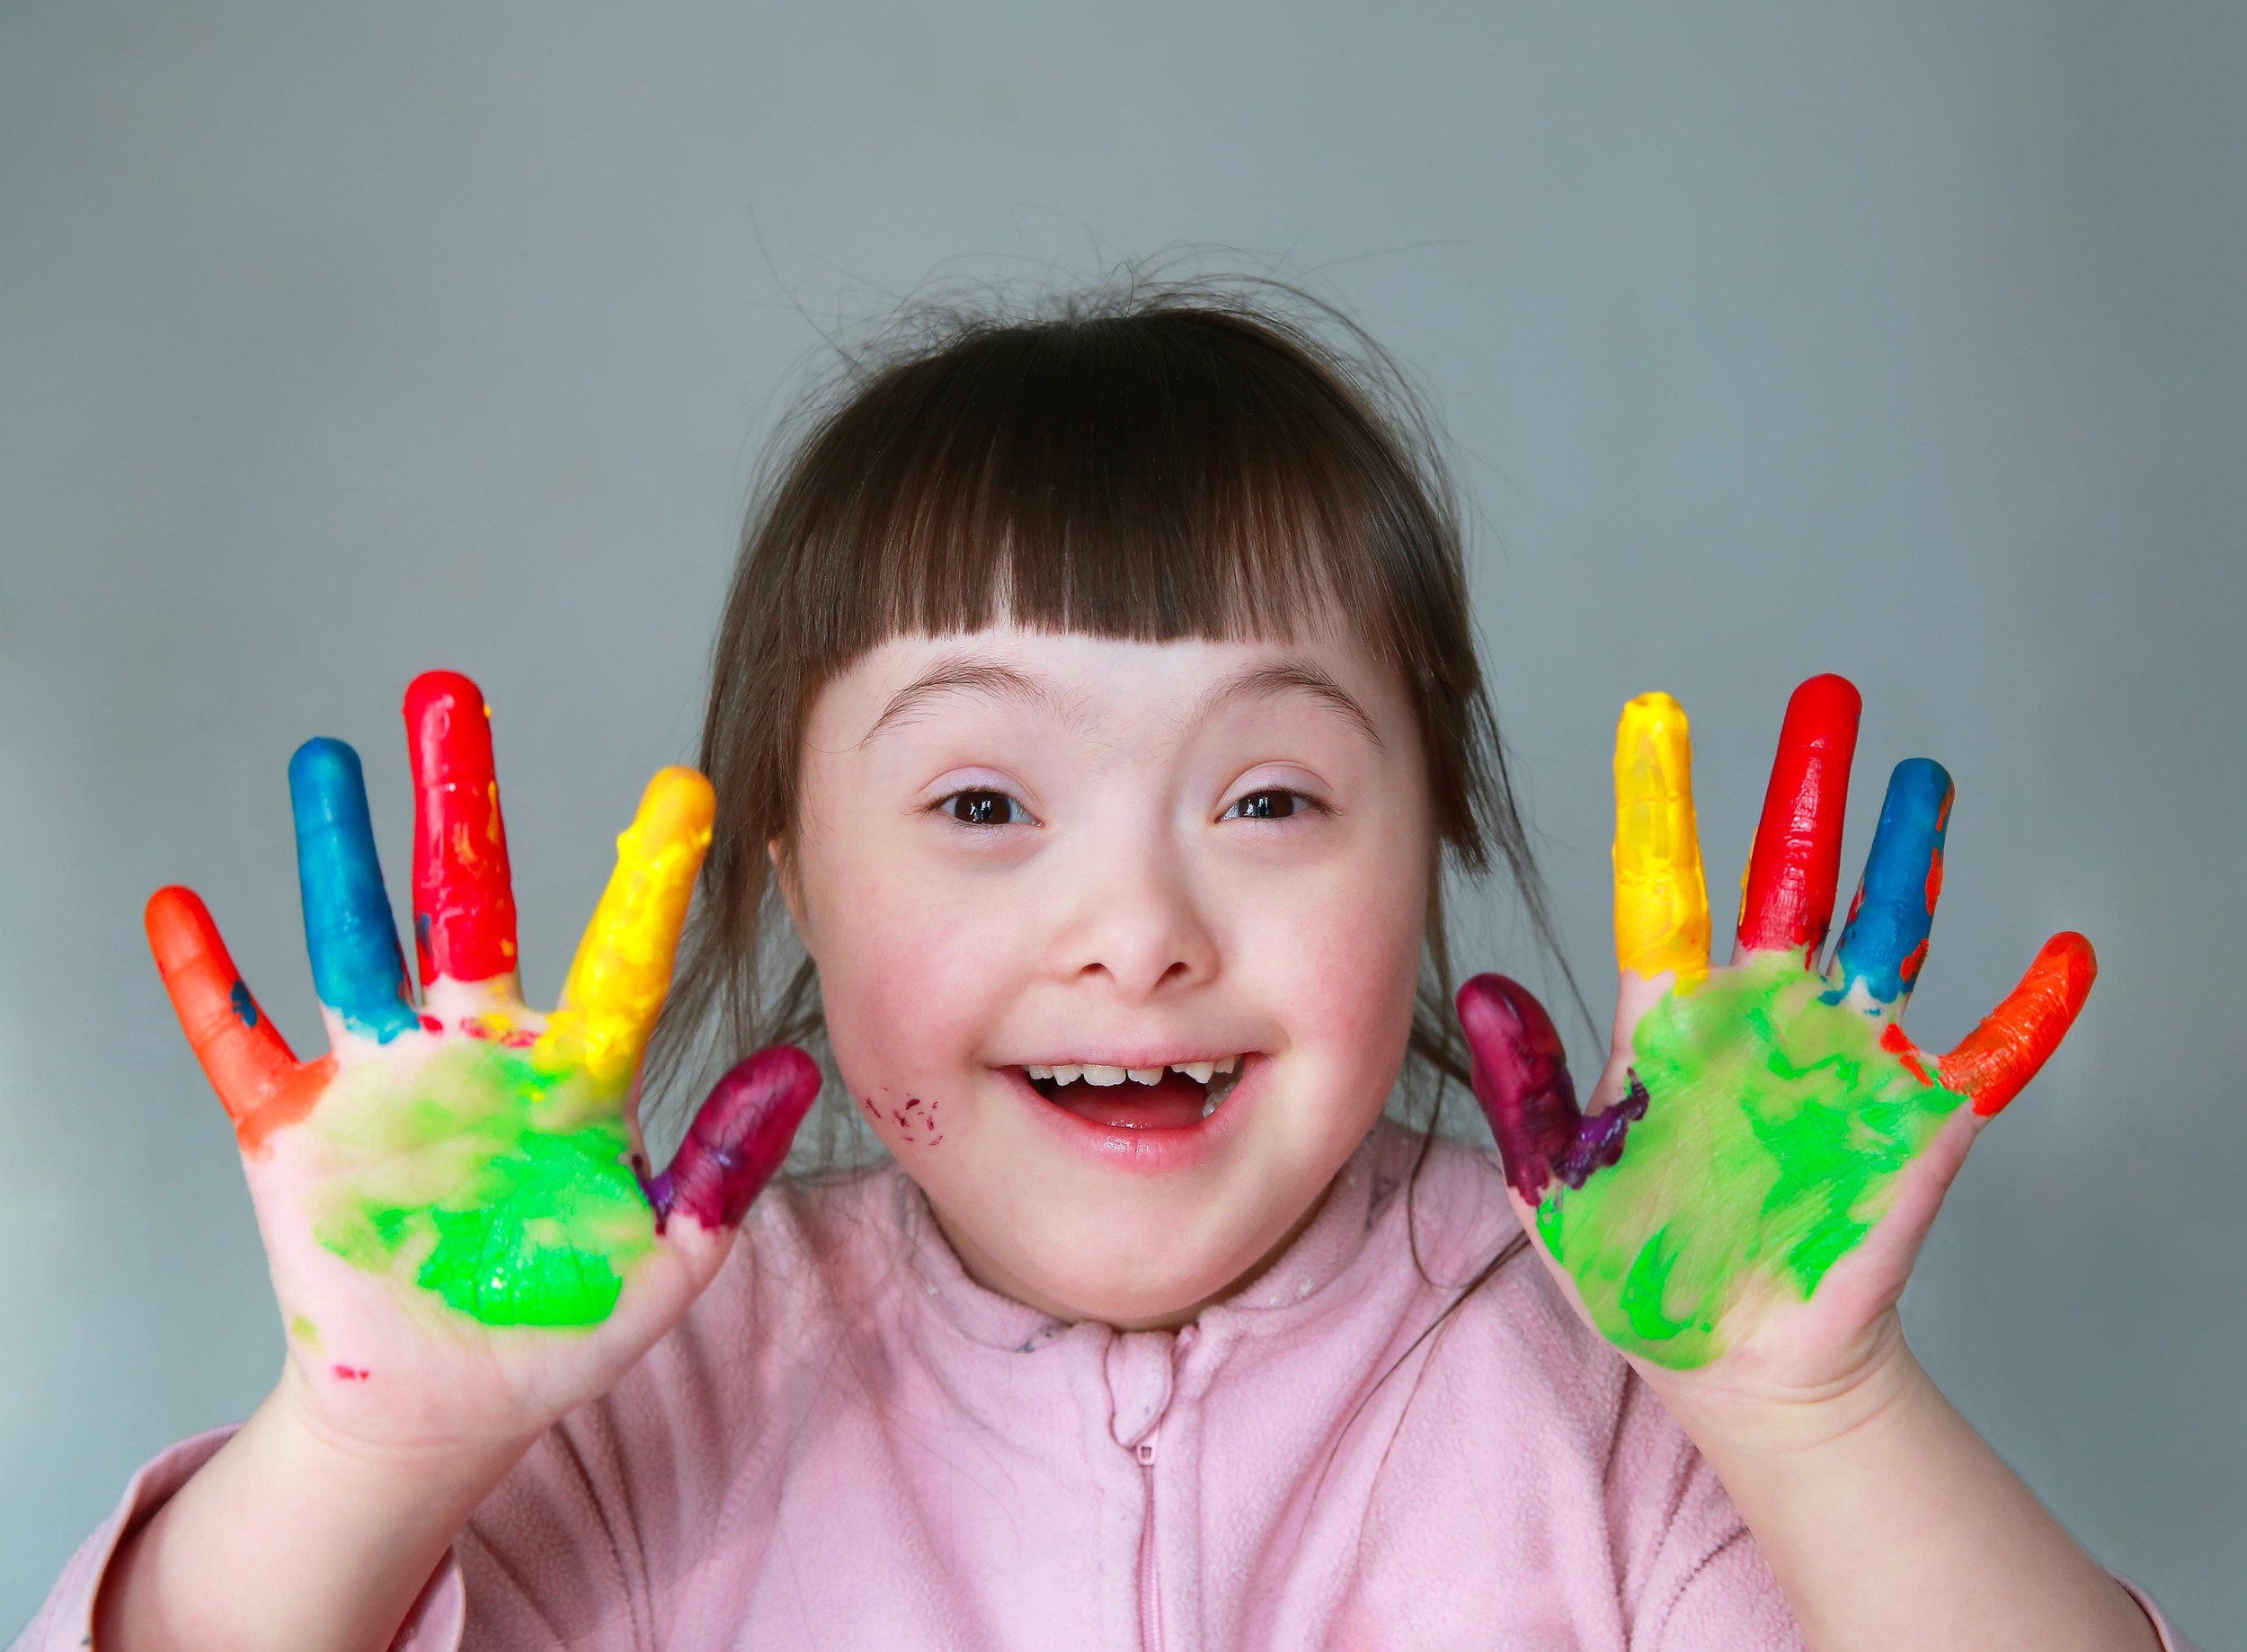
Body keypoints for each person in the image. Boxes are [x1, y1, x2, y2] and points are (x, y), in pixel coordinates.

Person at [17, 285, 2188, 1651]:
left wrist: (1817, 1416)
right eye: (979, 806)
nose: (1137, 930)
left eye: (1265, 801)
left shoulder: (1615, 1378)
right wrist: (371, 1455)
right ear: (792, 866)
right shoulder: (619, 1375)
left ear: (1423, 834)